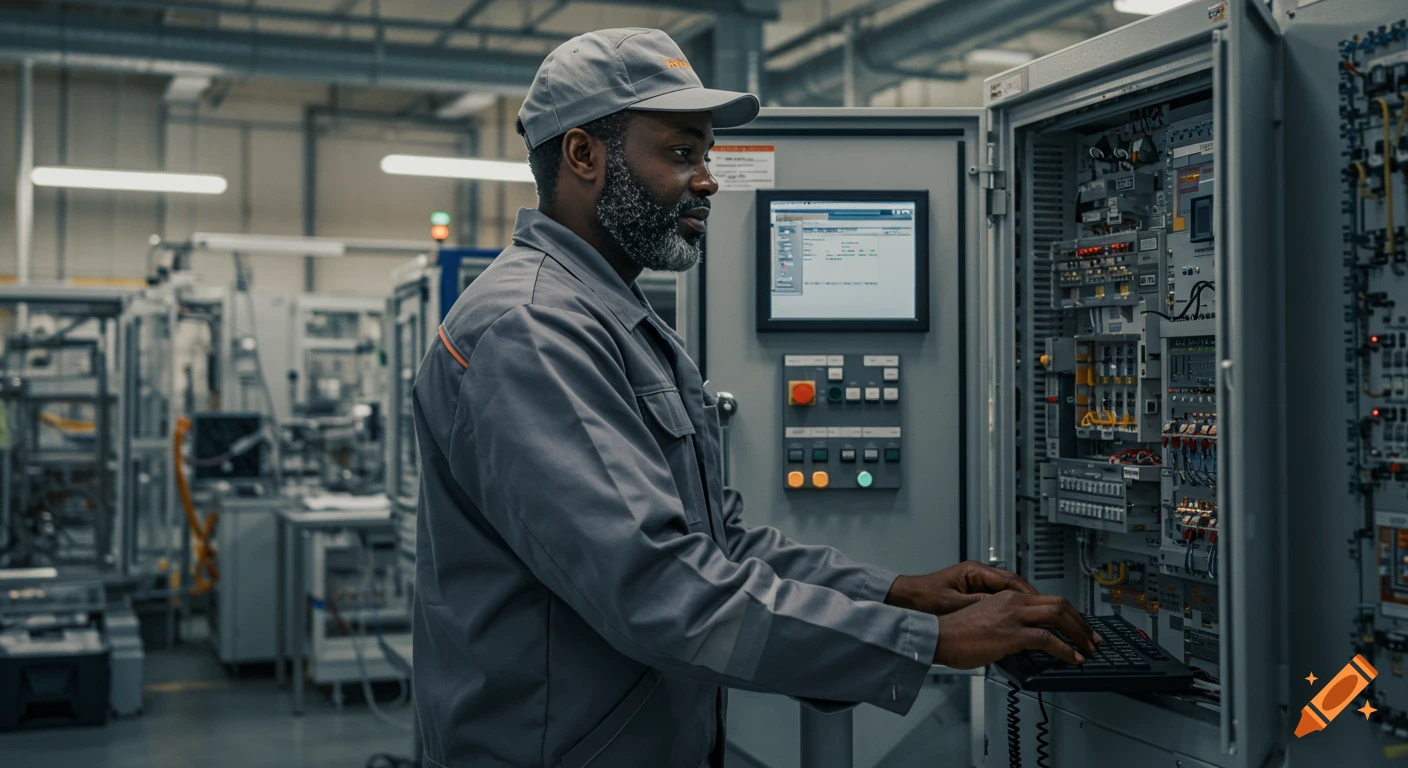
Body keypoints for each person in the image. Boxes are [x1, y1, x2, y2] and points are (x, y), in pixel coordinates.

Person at [411, 27, 1099, 768]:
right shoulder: (533, 329)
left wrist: (900, 593)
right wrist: (931, 641)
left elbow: (717, 548)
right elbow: (661, 591)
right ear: (584, 156)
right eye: (681, 153)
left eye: (705, 155)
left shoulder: (620, 323)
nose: (708, 179)